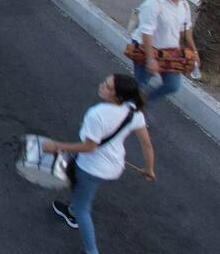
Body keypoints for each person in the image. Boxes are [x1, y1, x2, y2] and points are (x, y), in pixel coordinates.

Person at [45, 74, 155, 254]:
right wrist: (148, 169)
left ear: (117, 97)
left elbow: (89, 147)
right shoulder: (133, 111)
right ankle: (72, 208)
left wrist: (56, 146)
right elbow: (147, 145)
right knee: (84, 190)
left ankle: (90, 248)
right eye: (105, 82)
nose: (102, 86)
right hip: (115, 166)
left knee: (83, 208)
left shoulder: (96, 115)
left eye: (108, 87)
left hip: (92, 167)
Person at [130, 0, 196, 103]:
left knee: (172, 85)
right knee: (140, 84)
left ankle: (141, 104)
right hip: (147, 49)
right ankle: (129, 111)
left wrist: (194, 51)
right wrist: (150, 60)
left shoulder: (184, 5)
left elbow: (186, 29)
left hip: (169, 52)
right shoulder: (153, 3)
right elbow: (146, 33)